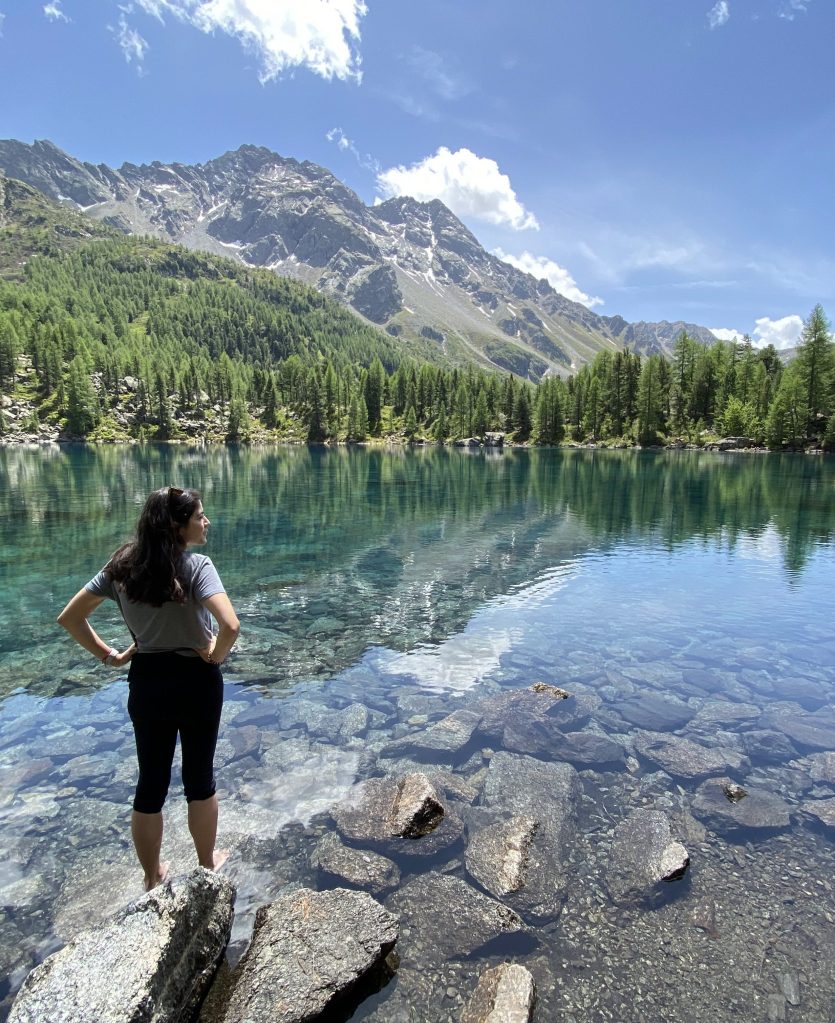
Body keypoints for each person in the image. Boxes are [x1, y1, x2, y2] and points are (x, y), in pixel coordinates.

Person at [57, 486, 240, 891]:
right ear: (177, 526)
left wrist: (111, 656)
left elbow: (70, 618)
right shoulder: (197, 566)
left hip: (148, 680)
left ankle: (151, 876)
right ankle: (207, 866)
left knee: (150, 783)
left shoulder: (121, 566)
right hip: (197, 681)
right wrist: (215, 656)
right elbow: (230, 626)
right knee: (200, 777)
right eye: (199, 517)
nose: (206, 522)